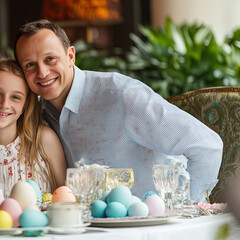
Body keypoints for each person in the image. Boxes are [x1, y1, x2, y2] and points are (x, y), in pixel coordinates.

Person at [14, 19, 223, 203]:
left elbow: (206, 146)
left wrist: (188, 213)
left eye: (50, 59)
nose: (42, 72)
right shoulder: (34, 113)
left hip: (158, 224)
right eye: (30, 65)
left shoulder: (121, 95)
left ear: (70, 56)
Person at [0, 58, 66, 195]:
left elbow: (66, 196)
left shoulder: (43, 140)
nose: (4, 104)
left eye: (15, 97)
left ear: (24, 107)